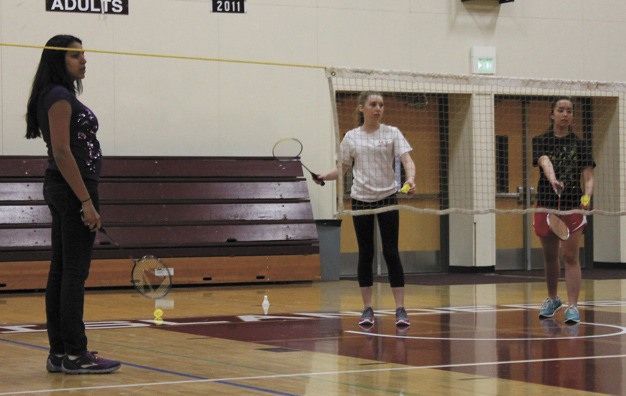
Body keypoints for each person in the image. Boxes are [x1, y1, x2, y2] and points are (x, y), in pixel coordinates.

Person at [25, 34, 121, 374]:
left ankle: (60, 353)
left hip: (63, 189)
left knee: (62, 272)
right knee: (72, 274)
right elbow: (63, 152)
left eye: (83, 54)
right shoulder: (60, 96)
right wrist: (85, 201)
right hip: (72, 190)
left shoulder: (53, 94)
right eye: (74, 55)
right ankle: (76, 354)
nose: (83, 60)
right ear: (58, 61)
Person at [317, 91, 416, 328]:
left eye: (381, 105)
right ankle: (367, 308)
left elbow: (407, 160)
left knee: (391, 252)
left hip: (387, 197)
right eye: (373, 104)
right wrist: (324, 176)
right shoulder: (351, 137)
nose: (378, 108)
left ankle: (400, 309)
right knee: (366, 253)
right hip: (361, 199)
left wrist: (410, 178)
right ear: (362, 108)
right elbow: (340, 169)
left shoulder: (392, 133)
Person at [532, 97, 595, 324]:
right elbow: (544, 160)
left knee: (570, 256)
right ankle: (552, 299)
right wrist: (553, 180)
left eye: (569, 111)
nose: (565, 114)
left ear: (573, 116)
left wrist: (587, 196)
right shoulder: (541, 140)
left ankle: (572, 306)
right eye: (560, 110)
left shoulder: (581, 145)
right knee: (550, 256)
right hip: (547, 204)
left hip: (571, 207)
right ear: (552, 114)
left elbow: (588, 176)